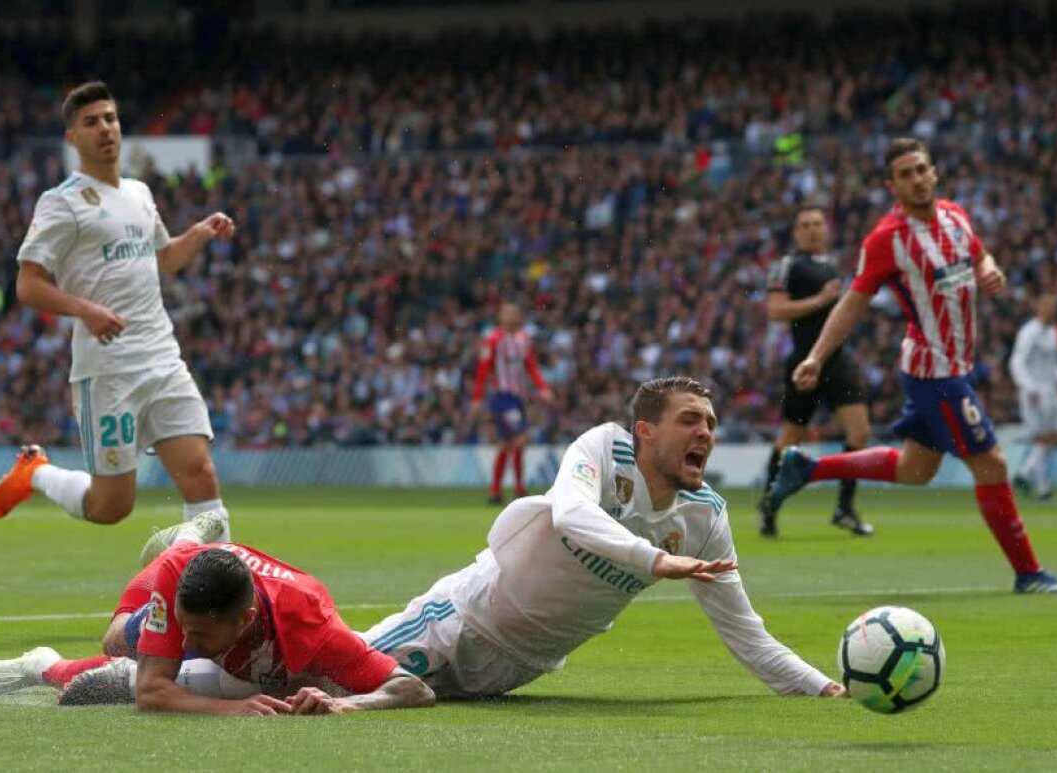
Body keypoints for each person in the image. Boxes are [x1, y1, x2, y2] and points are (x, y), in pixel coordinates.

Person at [362, 377, 846, 699]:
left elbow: (746, 634)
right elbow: (571, 512)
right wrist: (653, 560)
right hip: (458, 621)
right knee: (325, 671)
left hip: (517, 670)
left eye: (711, 424)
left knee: (387, 704)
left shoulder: (705, 518)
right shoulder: (606, 448)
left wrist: (823, 688)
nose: (705, 432)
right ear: (646, 432)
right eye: (689, 420)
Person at [767, 138, 1057, 594]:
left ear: (934, 172)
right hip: (934, 370)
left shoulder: (955, 216)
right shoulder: (886, 239)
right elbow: (853, 303)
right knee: (992, 463)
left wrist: (988, 268)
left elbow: (980, 254)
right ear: (891, 185)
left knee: (916, 469)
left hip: (956, 364)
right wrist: (816, 356)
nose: (916, 179)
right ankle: (1029, 574)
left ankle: (809, 468)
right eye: (905, 174)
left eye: (921, 169)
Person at [0, 81, 234, 535]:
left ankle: (213, 581)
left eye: (110, 118)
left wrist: (199, 233)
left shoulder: (139, 193)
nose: (104, 128)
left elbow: (164, 258)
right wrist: (85, 310)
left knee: (200, 475)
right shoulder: (62, 202)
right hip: (108, 370)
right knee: (111, 506)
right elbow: (28, 285)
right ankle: (35, 472)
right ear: (72, 138)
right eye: (91, 122)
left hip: (161, 356)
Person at [0, 524, 436, 716]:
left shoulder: (315, 632)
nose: (186, 638)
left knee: (262, 680)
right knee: (117, 642)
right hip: (183, 567)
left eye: (198, 633)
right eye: (184, 628)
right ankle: (186, 539)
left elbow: (414, 689)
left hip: (253, 614)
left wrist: (346, 706)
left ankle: (44, 666)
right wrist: (230, 709)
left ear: (244, 622)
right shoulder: (181, 585)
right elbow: (152, 694)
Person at [759, 205, 872, 537]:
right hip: (804, 361)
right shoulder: (787, 265)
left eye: (817, 224)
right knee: (791, 438)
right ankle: (769, 505)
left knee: (860, 432)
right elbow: (775, 310)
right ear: (796, 232)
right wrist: (820, 300)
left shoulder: (832, 264)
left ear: (827, 228)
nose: (812, 229)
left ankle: (844, 509)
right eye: (805, 225)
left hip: (838, 359)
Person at [471, 300, 553, 504]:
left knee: (508, 444)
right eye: (507, 313)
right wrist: (477, 399)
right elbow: (482, 370)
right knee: (520, 438)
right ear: (501, 317)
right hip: (502, 397)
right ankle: (518, 489)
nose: (511, 317)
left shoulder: (524, 340)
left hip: (518, 398)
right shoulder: (493, 340)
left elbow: (531, 366)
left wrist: (542, 388)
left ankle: (496, 492)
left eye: (514, 313)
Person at [1009, 293, 1057, 501]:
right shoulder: (1028, 332)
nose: (1054, 311)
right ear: (1040, 308)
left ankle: (1023, 474)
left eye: (1055, 307)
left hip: (1051, 391)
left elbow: (1053, 366)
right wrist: (1029, 388)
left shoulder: (1053, 331)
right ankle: (1043, 490)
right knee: (1043, 439)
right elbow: (1016, 362)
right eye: (1050, 306)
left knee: (1055, 439)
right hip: (1034, 393)